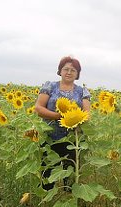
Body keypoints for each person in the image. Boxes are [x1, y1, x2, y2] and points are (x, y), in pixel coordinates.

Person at [35, 56, 91, 190]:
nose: (69, 72)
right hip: (50, 137)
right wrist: (58, 116)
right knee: (48, 171)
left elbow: (87, 115)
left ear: (77, 74)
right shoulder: (50, 86)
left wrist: (73, 119)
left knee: (70, 173)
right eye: (66, 69)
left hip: (73, 139)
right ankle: (46, 200)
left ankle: (68, 197)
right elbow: (39, 108)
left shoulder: (82, 91)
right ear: (60, 71)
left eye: (73, 70)